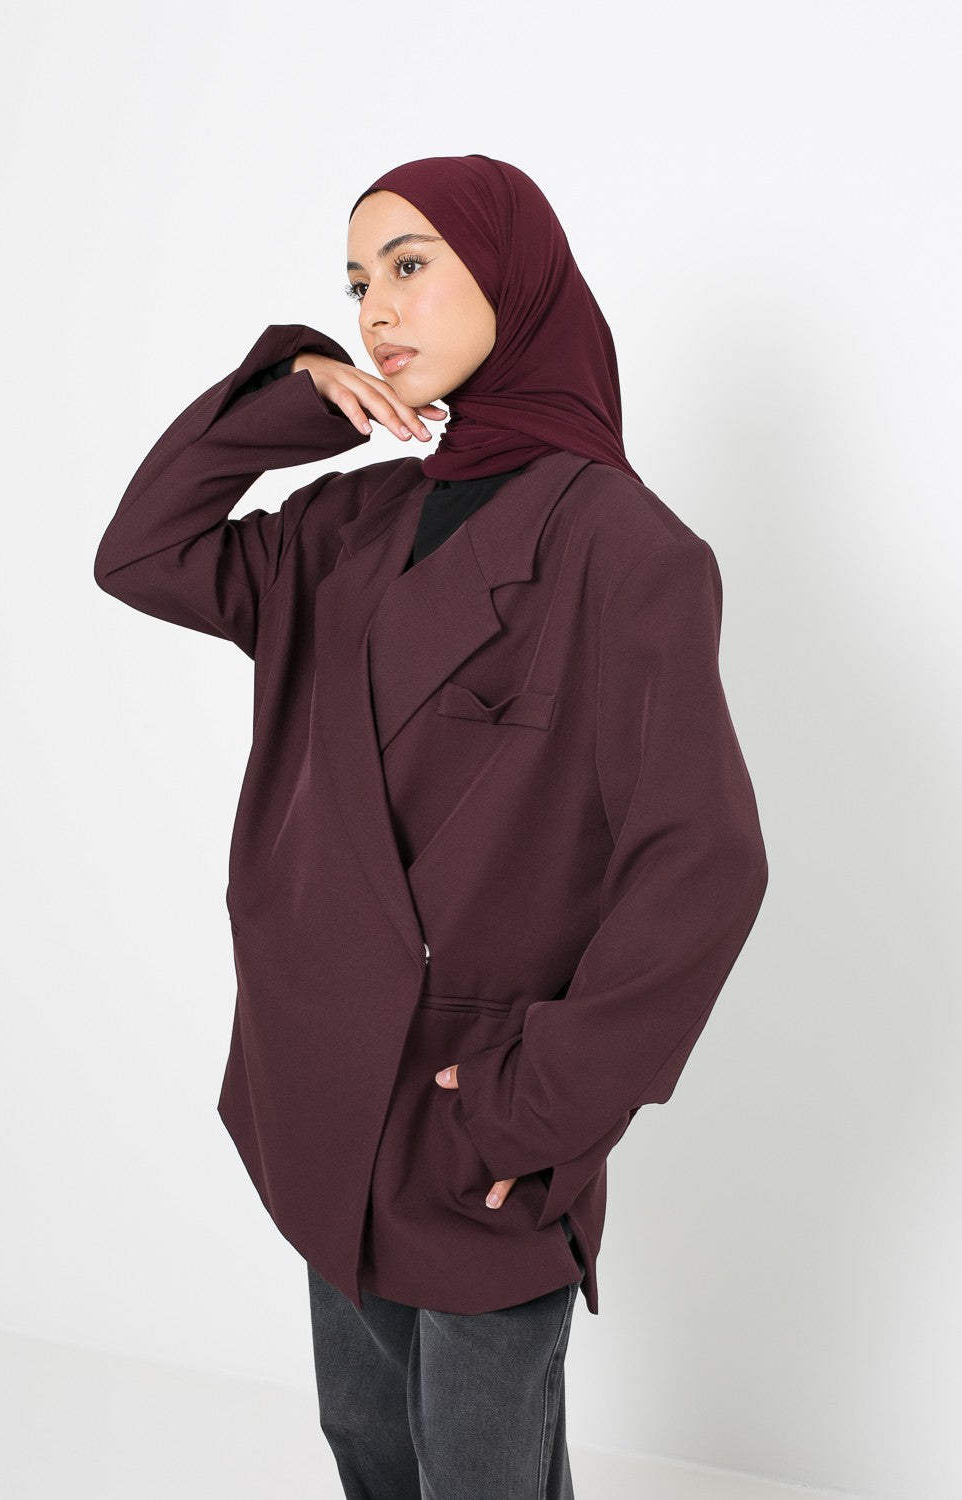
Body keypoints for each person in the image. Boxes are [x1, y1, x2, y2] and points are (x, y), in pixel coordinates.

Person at [94, 154, 769, 1499]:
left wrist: (541, 1108)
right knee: (371, 1448)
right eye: (356, 282)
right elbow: (144, 556)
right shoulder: (347, 522)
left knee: (479, 1472)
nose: (376, 309)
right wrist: (297, 401)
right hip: (323, 1089)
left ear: (512, 281)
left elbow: (704, 861)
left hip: (480, 1117)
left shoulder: (626, 550)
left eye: (410, 266)